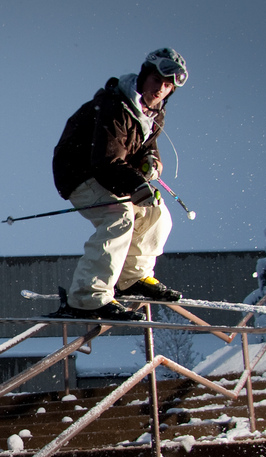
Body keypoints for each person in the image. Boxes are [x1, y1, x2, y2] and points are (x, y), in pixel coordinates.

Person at [50, 48, 188, 321]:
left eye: (168, 85)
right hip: (80, 172)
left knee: (156, 214)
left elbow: (146, 150)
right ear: (144, 75)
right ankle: (86, 297)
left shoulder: (153, 114)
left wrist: (151, 162)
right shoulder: (116, 105)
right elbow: (106, 160)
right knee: (119, 215)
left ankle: (131, 278)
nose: (161, 88)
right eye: (157, 80)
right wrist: (138, 186)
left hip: (111, 175)